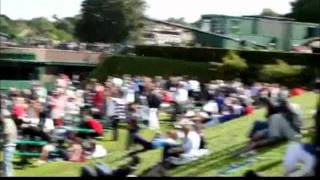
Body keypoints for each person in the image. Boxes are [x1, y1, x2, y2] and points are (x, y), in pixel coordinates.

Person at [1, 109, 18, 177]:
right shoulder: (10, 121)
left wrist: (2, 134)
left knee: (7, 162)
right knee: (7, 162)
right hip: (10, 144)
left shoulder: (8, 121)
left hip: (9, 144)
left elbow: (7, 132)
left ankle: (8, 175)